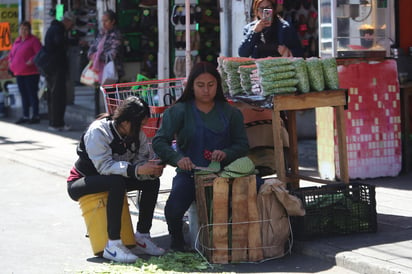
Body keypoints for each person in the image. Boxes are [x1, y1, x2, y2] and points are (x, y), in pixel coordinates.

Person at [152, 62, 250, 251]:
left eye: (211, 85)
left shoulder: (231, 113)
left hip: (224, 174)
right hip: (189, 174)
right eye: (200, 85)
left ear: (218, 85)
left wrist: (226, 153)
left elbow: (242, 145)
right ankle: (178, 241)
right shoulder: (179, 111)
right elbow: (159, 141)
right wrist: (177, 159)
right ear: (191, 86)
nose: (206, 90)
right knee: (173, 210)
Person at [67, 96, 166, 263]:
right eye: (139, 124)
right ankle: (113, 244)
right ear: (126, 122)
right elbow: (104, 167)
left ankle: (142, 236)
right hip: (82, 181)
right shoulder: (98, 132)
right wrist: (137, 169)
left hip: (115, 178)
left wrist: (151, 169)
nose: (142, 129)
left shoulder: (137, 134)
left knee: (151, 181)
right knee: (115, 182)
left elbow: (139, 161)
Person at [44, 11, 76, 131]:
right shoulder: (58, 30)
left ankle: (54, 122)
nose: (71, 28)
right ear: (67, 21)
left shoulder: (53, 28)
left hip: (51, 67)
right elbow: (59, 43)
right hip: (56, 67)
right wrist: (74, 42)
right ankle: (57, 123)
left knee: (53, 95)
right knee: (58, 95)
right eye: (71, 24)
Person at [238, 0, 303, 58]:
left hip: (280, 68)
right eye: (261, 9)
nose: (265, 12)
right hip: (258, 69)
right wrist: (255, 32)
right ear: (257, 11)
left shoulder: (285, 27)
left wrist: (288, 51)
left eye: (268, 8)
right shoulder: (250, 28)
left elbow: (299, 52)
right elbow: (243, 53)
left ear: (274, 10)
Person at [8, 21, 42, 124]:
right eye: (22, 29)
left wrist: (31, 60)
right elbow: (12, 53)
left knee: (32, 94)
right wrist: (10, 61)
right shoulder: (17, 41)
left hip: (31, 72)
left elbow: (39, 53)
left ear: (29, 30)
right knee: (23, 95)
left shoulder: (33, 41)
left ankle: (35, 115)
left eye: (25, 29)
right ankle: (25, 115)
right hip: (19, 73)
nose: (23, 31)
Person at [87, 10, 124, 84]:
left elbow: (113, 54)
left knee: (111, 92)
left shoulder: (117, 35)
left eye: (106, 21)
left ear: (112, 21)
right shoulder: (102, 33)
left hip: (112, 71)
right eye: (102, 21)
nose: (103, 24)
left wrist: (98, 56)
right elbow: (94, 45)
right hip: (100, 70)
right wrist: (91, 54)